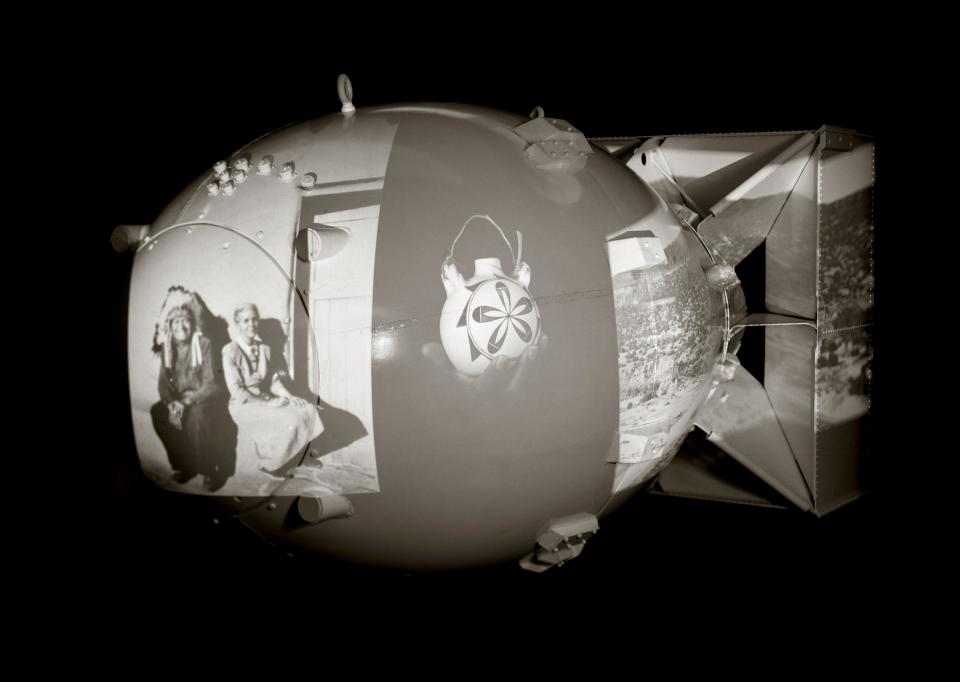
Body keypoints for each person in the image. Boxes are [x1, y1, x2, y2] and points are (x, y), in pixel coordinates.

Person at [222, 303, 323, 479]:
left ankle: (299, 456)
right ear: (237, 324)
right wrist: (268, 402)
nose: (251, 324)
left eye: (255, 319)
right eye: (246, 320)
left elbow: (273, 382)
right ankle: (272, 465)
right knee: (288, 417)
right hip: (244, 404)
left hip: (265, 397)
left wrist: (291, 397)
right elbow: (237, 391)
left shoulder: (265, 348)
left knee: (307, 408)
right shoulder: (230, 351)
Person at [150, 292, 224, 490]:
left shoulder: (204, 344)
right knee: (158, 412)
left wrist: (188, 402)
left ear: (193, 324)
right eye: (175, 323)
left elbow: (212, 384)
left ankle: (209, 470)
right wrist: (171, 403)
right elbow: (163, 384)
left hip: (204, 398)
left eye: (185, 322)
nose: (181, 327)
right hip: (180, 400)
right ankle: (185, 466)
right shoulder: (168, 348)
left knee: (197, 418)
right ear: (169, 326)